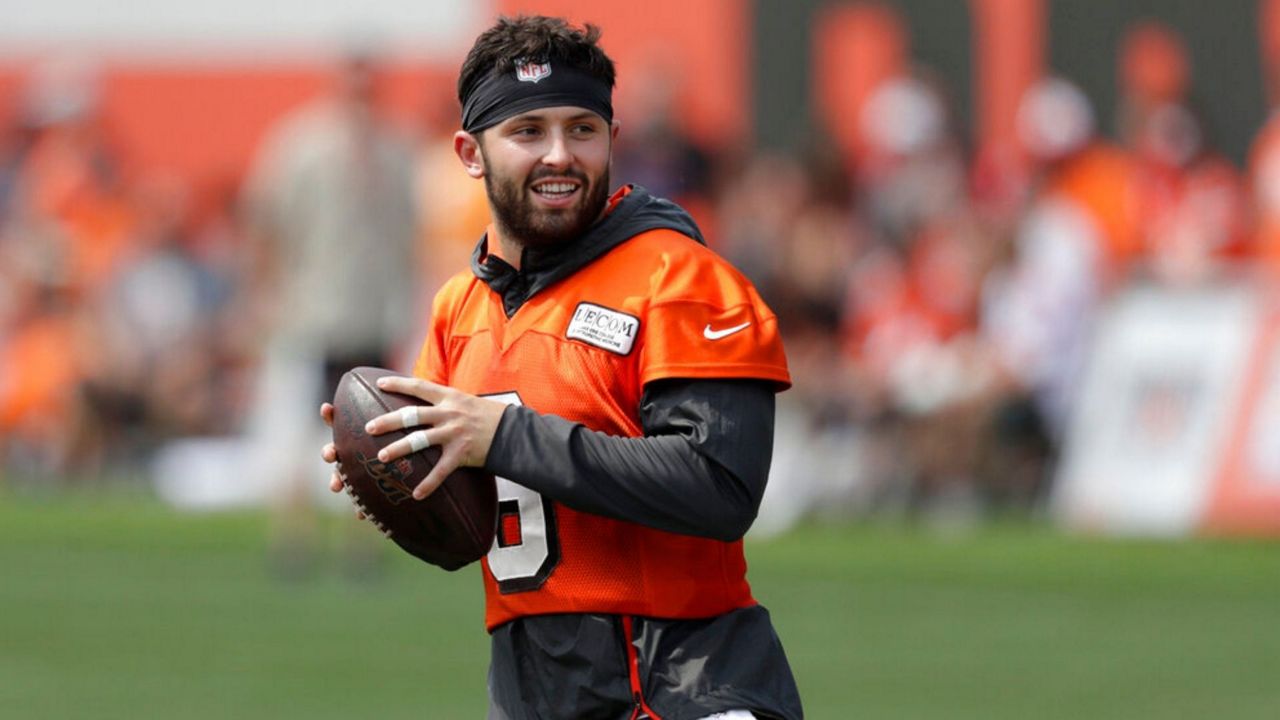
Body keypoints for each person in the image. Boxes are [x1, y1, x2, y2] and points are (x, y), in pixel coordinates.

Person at [321, 15, 803, 720]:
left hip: (685, 688)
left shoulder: (680, 277)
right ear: (470, 152)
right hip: (534, 694)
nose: (559, 155)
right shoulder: (459, 306)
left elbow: (722, 488)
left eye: (583, 128)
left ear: (613, 137)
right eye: (528, 132)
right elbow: (469, 532)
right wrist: (393, 468)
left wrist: (504, 435)